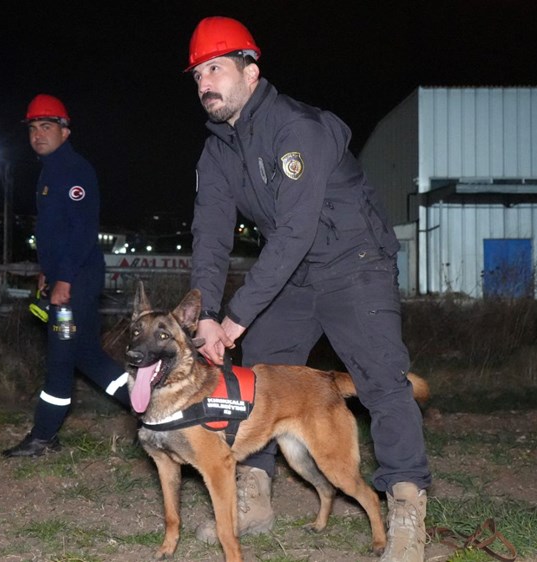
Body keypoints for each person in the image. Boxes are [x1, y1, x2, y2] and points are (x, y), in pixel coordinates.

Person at [184, 17, 431, 562]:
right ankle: (253, 496)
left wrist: (236, 317)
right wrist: (205, 314)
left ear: (251, 71)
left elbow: (296, 230)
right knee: (257, 381)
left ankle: (408, 511)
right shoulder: (218, 152)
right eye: (199, 73)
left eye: (216, 68)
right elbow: (209, 238)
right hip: (293, 275)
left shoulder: (297, 128)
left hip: (354, 263)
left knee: (382, 382)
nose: (205, 83)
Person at [2, 94, 131, 457]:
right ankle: (148, 404)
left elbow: (82, 231)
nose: (38, 134)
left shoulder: (75, 171)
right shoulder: (50, 171)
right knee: (87, 356)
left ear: (65, 131)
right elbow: (55, 233)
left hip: (78, 280)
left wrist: (65, 280)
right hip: (66, 276)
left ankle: (44, 436)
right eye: (33, 128)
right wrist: (49, 272)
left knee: (60, 361)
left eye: (46, 126)